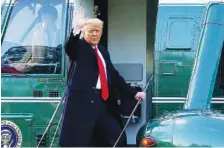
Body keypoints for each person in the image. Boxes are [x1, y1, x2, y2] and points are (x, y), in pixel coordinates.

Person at [59, 8, 146, 147]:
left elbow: (114, 75)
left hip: (102, 103)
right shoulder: (79, 47)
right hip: (83, 104)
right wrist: (76, 29)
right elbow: (69, 47)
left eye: (97, 31)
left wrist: (134, 93)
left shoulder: (102, 51)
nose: (94, 34)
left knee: (116, 137)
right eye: (91, 31)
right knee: (80, 142)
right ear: (84, 32)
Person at [9, 4, 59, 73]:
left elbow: (38, 59)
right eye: (43, 16)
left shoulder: (57, 34)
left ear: (53, 18)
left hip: (48, 71)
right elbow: (31, 53)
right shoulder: (39, 34)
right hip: (43, 69)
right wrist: (19, 63)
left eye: (47, 16)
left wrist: (21, 67)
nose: (44, 18)